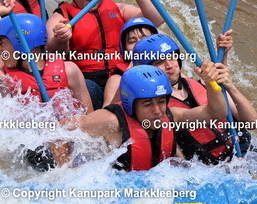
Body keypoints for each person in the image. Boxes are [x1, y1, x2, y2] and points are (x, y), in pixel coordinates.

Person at [48, 63, 226, 171]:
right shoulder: (110, 121)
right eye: (148, 104)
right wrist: (66, 171)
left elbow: (215, 114)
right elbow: (58, 131)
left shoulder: (171, 116)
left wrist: (211, 83)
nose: (157, 111)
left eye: (161, 101)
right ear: (130, 103)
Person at [46, 0, 163, 106]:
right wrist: (60, 39)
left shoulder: (117, 9)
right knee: (90, 88)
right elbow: (50, 49)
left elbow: (156, 19)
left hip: (120, 75)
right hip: (86, 81)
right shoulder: (61, 15)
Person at [132, 33, 257, 164]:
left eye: (172, 57)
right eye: (159, 62)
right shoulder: (160, 112)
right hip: (214, 168)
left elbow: (253, 123)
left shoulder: (203, 85)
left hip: (246, 152)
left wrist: (231, 87)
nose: (169, 65)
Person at [0, 0, 93, 113]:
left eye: (2, 44)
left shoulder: (69, 70)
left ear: (21, 44)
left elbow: (89, 119)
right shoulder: (3, 78)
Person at [102, 17, 158, 107]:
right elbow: (105, 113)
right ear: (125, 49)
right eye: (132, 41)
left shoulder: (168, 67)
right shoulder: (117, 80)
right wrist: (127, 80)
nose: (139, 44)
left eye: (145, 39)